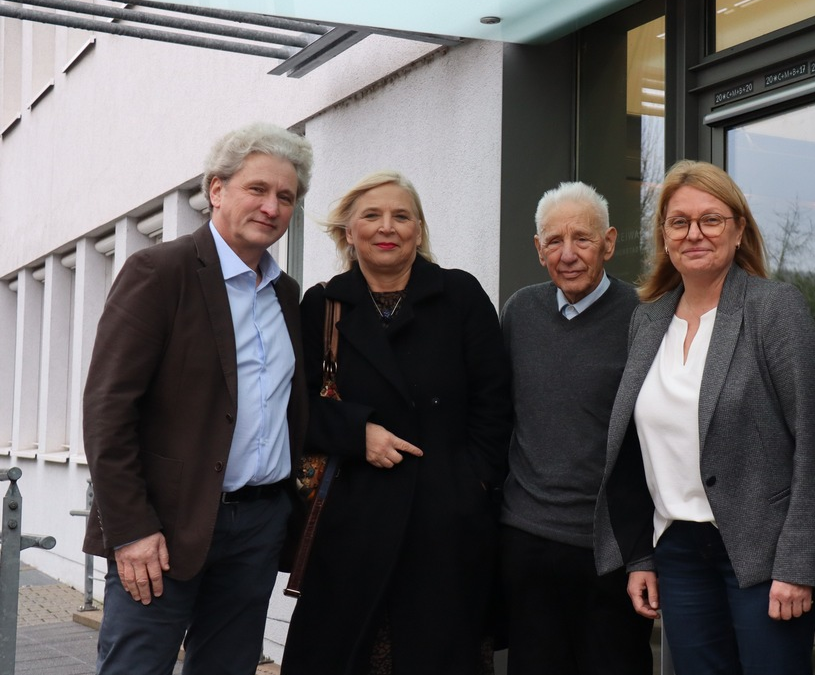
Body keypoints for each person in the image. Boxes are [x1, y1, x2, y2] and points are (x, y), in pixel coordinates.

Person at [594, 160, 815, 675]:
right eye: (679, 222)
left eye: (711, 220)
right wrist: (642, 555)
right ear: (664, 236)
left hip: (765, 551)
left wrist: (799, 564)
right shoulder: (647, 321)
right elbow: (634, 448)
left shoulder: (773, 308)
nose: (695, 233)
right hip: (678, 549)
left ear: (739, 230)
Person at [82, 122, 312, 675]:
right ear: (217, 189)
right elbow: (108, 410)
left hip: (256, 526)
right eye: (258, 189)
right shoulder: (160, 272)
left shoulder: (286, 293)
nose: (272, 206)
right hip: (162, 527)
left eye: (286, 196)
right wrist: (131, 528)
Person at [281, 170, 511, 675]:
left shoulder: (460, 296)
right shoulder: (323, 306)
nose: (388, 227)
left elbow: (495, 403)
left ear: (419, 230)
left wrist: (470, 484)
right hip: (351, 526)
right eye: (372, 216)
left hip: (444, 526)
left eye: (401, 216)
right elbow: (294, 407)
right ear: (348, 232)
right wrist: (355, 432)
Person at [499, 182, 651, 675]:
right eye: (553, 241)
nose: (567, 254)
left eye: (582, 239)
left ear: (608, 243)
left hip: (609, 546)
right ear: (537, 248)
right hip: (527, 541)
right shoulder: (519, 312)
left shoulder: (644, 318)